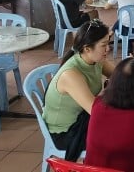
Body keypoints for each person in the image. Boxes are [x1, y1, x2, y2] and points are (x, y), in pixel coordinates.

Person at [43, 19, 115, 161]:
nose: (108, 49)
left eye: (108, 43)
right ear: (87, 48)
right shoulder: (71, 74)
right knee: (120, 135)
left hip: (83, 116)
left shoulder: (95, 59)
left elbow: (119, 75)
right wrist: (108, 88)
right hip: (67, 132)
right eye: (104, 45)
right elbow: (97, 112)